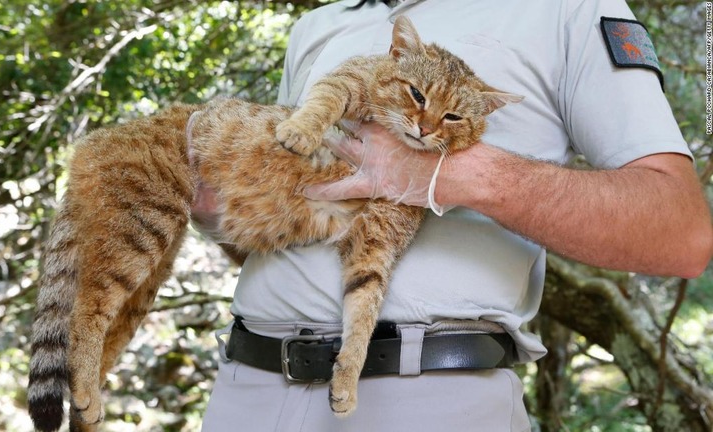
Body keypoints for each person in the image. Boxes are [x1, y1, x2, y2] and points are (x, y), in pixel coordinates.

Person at [196, 0, 713, 431]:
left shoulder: (569, 9)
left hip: (427, 396)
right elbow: (286, 223)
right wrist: (216, 213)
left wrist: (449, 174)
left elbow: (681, 232)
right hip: (246, 385)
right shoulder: (318, 24)